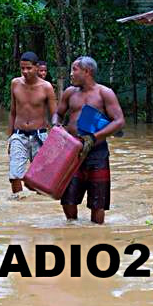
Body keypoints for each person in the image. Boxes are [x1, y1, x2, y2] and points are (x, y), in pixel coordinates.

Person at [52, 56, 125, 225]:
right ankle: (72, 229)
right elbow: (58, 113)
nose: (71, 74)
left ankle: (96, 235)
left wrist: (94, 138)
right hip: (72, 151)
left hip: (97, 153)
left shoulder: (104, 93)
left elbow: (119, 121)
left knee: (98, 201)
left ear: (87, 71)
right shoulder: (70, 92)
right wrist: (56, 126)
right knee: (68, 198)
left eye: (74, 70)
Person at [8, 52, 57, 195]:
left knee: (40, 179)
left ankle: (37, 211)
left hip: (40, 136)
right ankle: (18, 205)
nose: (25, 72)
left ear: (36, 68)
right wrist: (10, 138)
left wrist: (55, 139)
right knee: (15, 175)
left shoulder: (46, 87)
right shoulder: (15, 83)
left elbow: (55, 115)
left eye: (28, 68)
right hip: (18, 135)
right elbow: (12, 112)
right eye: (22, 68)